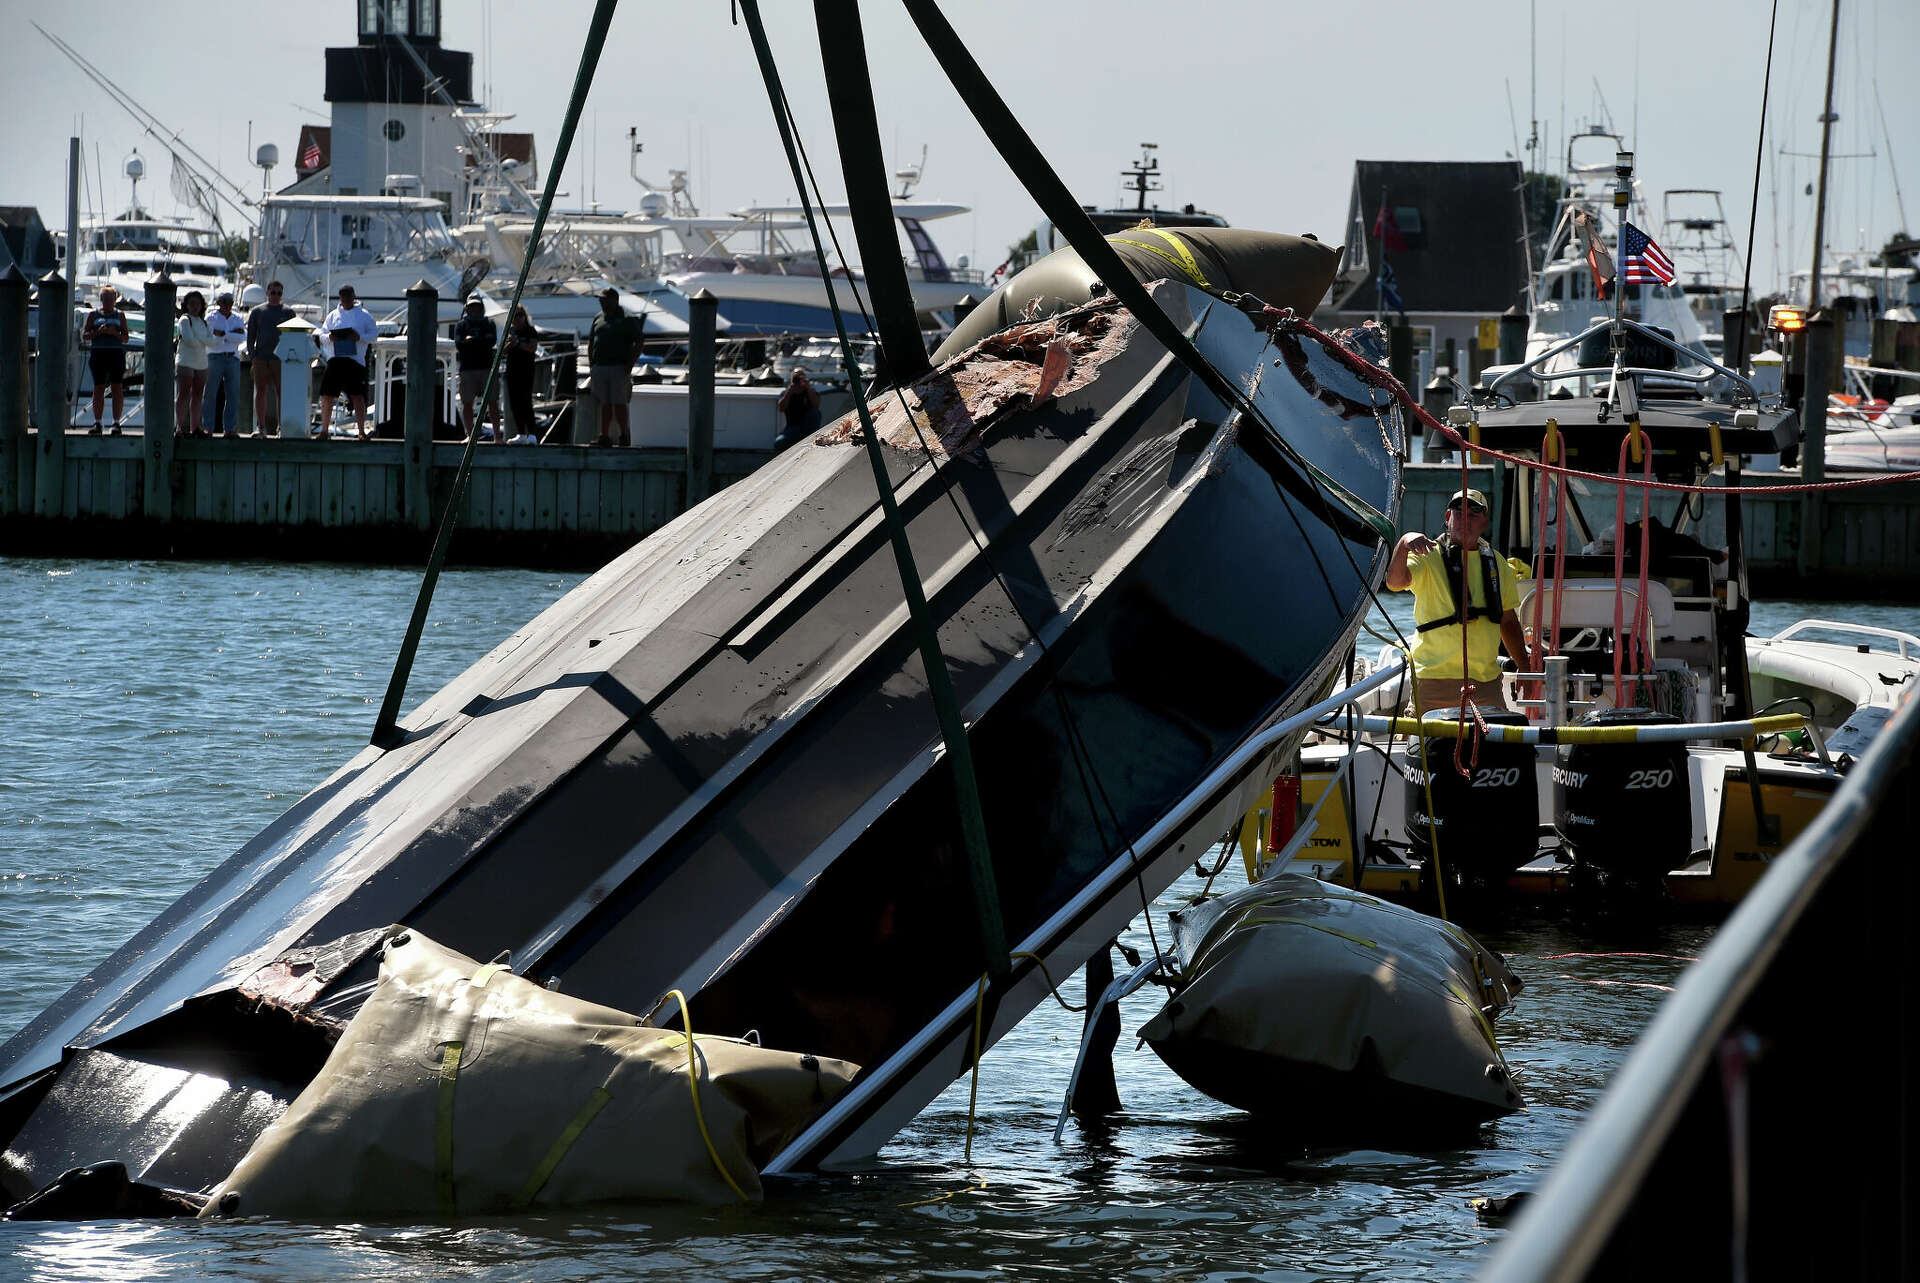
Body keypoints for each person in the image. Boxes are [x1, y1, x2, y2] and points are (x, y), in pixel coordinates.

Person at [1385, 487, 1536, 714]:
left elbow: (1508, 621)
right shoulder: (1427, 554)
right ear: (1448, 518)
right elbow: (1394, 582)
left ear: (1484, 522)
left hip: (1484, 684)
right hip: (1432, 681)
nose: (1465, 520)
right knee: (1423, 747)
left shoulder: (1498, 564)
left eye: (1474, 514)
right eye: (1459, 512)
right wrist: (1404, 543)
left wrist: (1525, 668)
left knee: (1494, 743)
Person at [317, 285, 379, 440]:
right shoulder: (332, 315)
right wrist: (330, 337)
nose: (345, 299)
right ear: (340, 297)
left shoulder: (364, 315)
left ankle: (361, 431)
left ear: (354, 296)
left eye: (348, 296)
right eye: (343, 296)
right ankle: (324, 431)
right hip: (335, 360)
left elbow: (374, 335)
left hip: (355, 361)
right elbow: (322, 336)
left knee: (357, 396)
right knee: (327, 395)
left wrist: (360, 338)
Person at [587, 287, 644, 446]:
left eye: (604, 299)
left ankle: (623, 436)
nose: (601, 302)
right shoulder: (598, 318)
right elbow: (591, 341)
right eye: (600, 299)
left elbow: (639, 342)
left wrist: (629, 365)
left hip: (619, 367)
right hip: (600, 367)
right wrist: (592, 364)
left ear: (615, 300)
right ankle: (604, 436)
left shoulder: (627, 318)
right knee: (604, 403)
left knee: (619, 403)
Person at [245, 280, 296, 436]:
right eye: (273, 292)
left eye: (279, 293)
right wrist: (253, 356)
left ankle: (281, 427)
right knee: (260, 392)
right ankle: (261, 427)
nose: (276, 296)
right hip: (261, 358)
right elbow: (251, 336)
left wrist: (289, 356)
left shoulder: (288, 312)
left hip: (280, 359)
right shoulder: (257, 312)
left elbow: (293, 336)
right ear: (267, 292)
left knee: (282, 393)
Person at [81, 286, 131, 433]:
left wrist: (114, 333)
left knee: (117, 388)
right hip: (98, 354)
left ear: (115, 300)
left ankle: (116, 423)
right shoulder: (93, 315)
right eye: (105, 299)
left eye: (111, 299)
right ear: (101, 299)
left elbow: (125, 338)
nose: (108, 301)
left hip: (115, 354)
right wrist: (98, 332)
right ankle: (98, 422)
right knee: (98, 388)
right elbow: (85, 335)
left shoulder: (120, 315)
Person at [453, 297, 500, 443]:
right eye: (472, 307)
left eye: (477, 307)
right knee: (467, 403)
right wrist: (479, 341)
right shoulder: (461, 325)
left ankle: (497, 437)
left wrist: (472, 341)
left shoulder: (489, 323)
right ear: (467, 308)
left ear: (482, 308)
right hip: (467, 369)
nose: (475, 309)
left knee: (492, 402)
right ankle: (470, 435)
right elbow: (459, 343)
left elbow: (491, 341)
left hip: (487, 368)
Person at [203, 290, 247, 436]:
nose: (227, 305)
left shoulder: (238, 318)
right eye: (224, 302)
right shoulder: (211, 317)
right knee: (210, 393)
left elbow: (241, 337)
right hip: (214, 357)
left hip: (232, 358)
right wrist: (232, 334)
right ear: (218, 303)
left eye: (230, 302)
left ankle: (230, 429)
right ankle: (208, 427)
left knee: (233, 394)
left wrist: (223, 334)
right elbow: (212, 339)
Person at [174, 290, 212, 437]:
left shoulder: (204, 322)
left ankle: (195, 427)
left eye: (198, 304)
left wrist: (201, 339)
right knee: (183, 394)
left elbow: (212, 341)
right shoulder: (184, 319)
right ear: (186, 306)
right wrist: (203, 339)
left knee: (197, 395)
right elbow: (189, 339)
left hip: (201, 363)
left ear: (202, 306)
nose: (195, 306)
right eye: (192, 304)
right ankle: (179, 427)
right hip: (186, 362)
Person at [504, 304, 540, 442]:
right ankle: (521, 433)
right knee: (514, 403)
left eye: (520, 315)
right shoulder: (510, 332)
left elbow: (532, 348)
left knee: (526, 402)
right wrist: (510, 343)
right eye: (514, 316)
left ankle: (532, 434)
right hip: (512, 371)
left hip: (526, 372)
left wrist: (518, 343)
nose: (517, 318)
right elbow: (503, 352)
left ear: (524, 317)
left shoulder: (530, 331)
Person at [775, 368, 822, 448]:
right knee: (779, 443)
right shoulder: (787, 393)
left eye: (801, 377)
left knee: (814, 412)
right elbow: (781, 408)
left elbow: (816, 406)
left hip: (808, 428)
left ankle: (811, 438)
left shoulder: (810, 392)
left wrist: (808, 387)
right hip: (793, 427)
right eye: (796, 378)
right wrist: (789, 392)